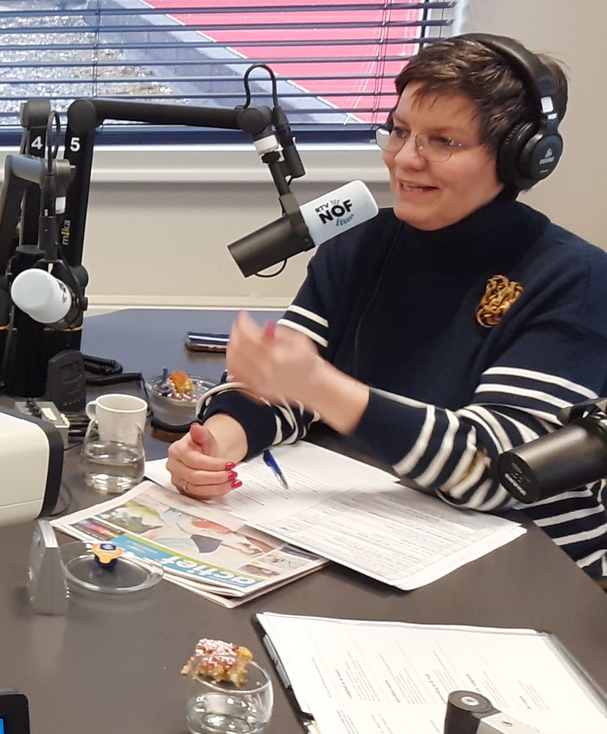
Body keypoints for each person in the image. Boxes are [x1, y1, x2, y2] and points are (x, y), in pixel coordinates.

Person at [166, 35, 607, 578]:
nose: (404, 158)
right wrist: (218, 445)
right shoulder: (362, 242)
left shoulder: (577, 280)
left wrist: (321, 387)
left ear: (522, 157)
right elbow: (285, 388)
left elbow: (495, 471)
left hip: (531, 567)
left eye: (443, 141)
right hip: (378, 533)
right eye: (399, 131)